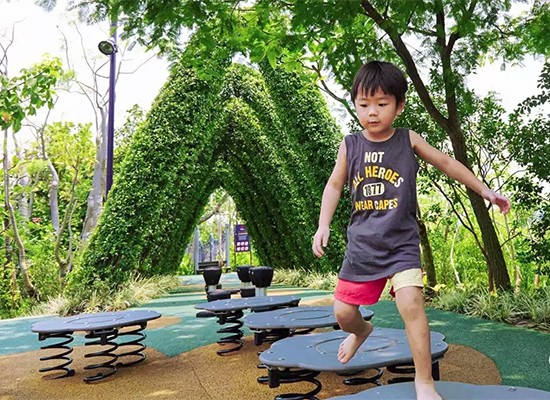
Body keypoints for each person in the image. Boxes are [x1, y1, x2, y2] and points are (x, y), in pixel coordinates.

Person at [312, 60, 511, 400]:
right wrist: (323, 225)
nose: (372, 113)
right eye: (363, 105)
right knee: (344, 314)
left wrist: (484, 189)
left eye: (381, 104)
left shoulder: (408, 140)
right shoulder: (351, 145)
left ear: (399, 105)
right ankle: (361, 332)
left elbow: (447, 163)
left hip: (401, 244)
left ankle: (424, 382)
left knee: (411, 303)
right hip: (362, 246)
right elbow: (333, 186)